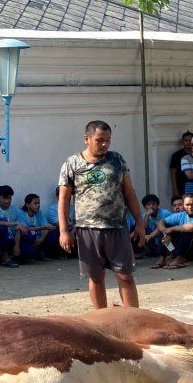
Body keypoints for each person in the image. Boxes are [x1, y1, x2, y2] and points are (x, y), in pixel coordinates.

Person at [57, 120, 145, 308]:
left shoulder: (117, 160)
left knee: (125, 276)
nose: (105, 144)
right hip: (87, 229)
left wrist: (139, 222)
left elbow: (129, 193)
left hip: (117, 227)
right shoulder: (72, 163)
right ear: (86, 139)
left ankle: (133, 322)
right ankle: (101, 320)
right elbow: (64, 199)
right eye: (100, 140)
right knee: (96, 277)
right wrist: (64, 231)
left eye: (108, 140)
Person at [154, 192, 193, 268]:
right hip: (187, 250)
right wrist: (165, 232)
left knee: (189, 231)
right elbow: (160, 222)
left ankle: (180, 258)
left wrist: (171, 229)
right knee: (165, 227)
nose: (190, 207)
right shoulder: (182, 215)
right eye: (187, 205)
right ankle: (162, 257)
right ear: (183, 205)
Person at [0, 185, 25, 267]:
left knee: (28, 252)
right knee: (2, 228)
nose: (8, 201)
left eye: (9, 198)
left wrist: (16, 245)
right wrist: (15, 223)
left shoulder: (16, 210)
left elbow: (17, 230)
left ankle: (1, 257)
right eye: (4, 198)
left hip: (10, 238)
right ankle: (5, 258)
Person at [19, 193, 57, 260]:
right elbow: (26, 229)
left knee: (52, 234)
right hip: (27, 239)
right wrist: (43, 227)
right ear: (27, 204)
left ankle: (41, 253)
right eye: (35, 203)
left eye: (39, 203)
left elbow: (47, 227)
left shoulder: (39, 213)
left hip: (38, 239)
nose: (38, 205)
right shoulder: (21, 213)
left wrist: (41, 238)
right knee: (29, 239)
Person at [169, 131, 193, 198]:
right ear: (182, 141)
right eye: (186, 140)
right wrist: (175, 189)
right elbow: (173, 173)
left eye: (190, 140)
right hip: (182, 186)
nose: (188, 142)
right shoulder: (176, 155)